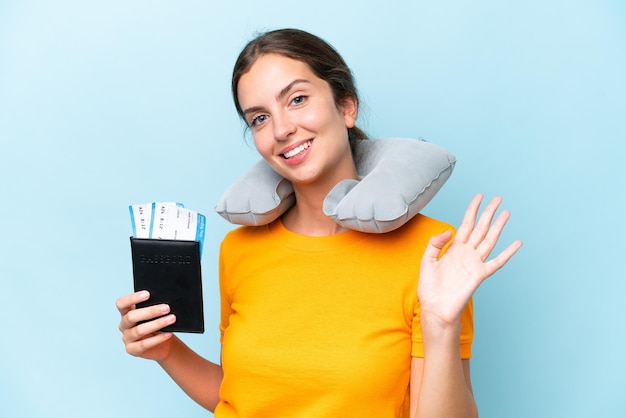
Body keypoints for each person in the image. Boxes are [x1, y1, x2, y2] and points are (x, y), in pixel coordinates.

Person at [116, 28, 522, 417]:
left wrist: (441, 325)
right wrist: (166, 350)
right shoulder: (239, 248)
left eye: (296, 100)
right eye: (258, 118)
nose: (281, 129)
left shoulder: (430, 253)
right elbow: (241, 394)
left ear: (346, 105)